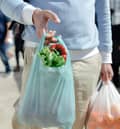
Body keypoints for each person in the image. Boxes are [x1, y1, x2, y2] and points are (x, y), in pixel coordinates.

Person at [11, 0, 113, 129]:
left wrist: (106, 56)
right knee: (32, 123)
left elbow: (103, 11)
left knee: (75, 123)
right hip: (39, 55)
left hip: (84, 60)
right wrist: (32, 14)